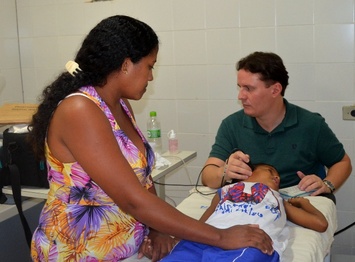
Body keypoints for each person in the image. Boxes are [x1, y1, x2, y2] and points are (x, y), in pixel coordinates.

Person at [28, 16, 274, 262]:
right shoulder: (79, 110)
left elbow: (142, 181)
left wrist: (158, 229)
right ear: (125, 65)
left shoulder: (120, 106)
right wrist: (221, 237)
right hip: (80, 251)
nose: (151, 77)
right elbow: (133, 200)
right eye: (149, 66)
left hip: (128, 246)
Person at [201, 52, 352, 199]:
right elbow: (208, 176)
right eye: (239, 87)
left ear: (275, 90)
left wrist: (327, 184)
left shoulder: (311, 124)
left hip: (300, 203)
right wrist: (225, 172)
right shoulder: (231, 125)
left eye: (249, 88)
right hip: (252, 204)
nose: (240, 96)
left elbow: (342, 162)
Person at [161, 163, 328, 261]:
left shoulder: (277, 199)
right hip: (207, 237)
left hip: (251, 242)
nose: (277, 178)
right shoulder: (226, 189)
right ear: (247, 174)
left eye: (278, 178)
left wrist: (304, 203)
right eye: (270, 172)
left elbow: (320, 224)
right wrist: (179, 237)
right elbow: (203, 221)